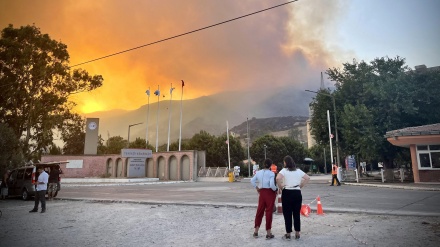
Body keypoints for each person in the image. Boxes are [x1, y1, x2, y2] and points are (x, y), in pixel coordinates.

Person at [276, 155, 310, 241]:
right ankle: (297, 233)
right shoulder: (298, 171)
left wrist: (281, 186)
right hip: (297, 192)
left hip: (287, 192)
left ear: (286, 163)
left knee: (287, 214)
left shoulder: (284, 170)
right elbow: (307, 178)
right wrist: (301, 185)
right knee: (296, 214)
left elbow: (277, 178)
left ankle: (288, 234)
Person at [250, 158, 277, 240]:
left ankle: (256, 231)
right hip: (269, 193)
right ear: (270, 165)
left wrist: (257, 188)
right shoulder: (271, 174)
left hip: (262, 193)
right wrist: (275, 189)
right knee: (269, 212)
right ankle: (268, 233)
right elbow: (272, 184)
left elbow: (252, 180)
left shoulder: (258, 173)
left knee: (260, 211)